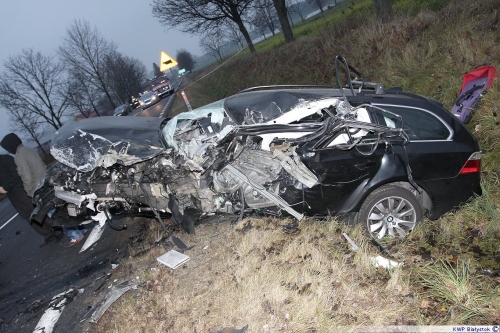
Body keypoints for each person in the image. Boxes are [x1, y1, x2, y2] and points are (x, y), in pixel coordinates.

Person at [0, 154, 60, 246]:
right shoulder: (5, 158)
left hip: (21, 190)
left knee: (37, 211)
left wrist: (5, 187)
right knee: (29, 216)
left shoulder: (5, 159)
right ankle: (48, 234)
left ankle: (57, 228)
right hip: (14, 196)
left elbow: (16, 173)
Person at [0, 133, 46, 197]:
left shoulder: (19, 156)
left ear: (10, 146)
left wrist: (28, 191)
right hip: (45, 181)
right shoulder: (28, 149)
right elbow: (43, 165)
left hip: (37, 188)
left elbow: (27, 176)